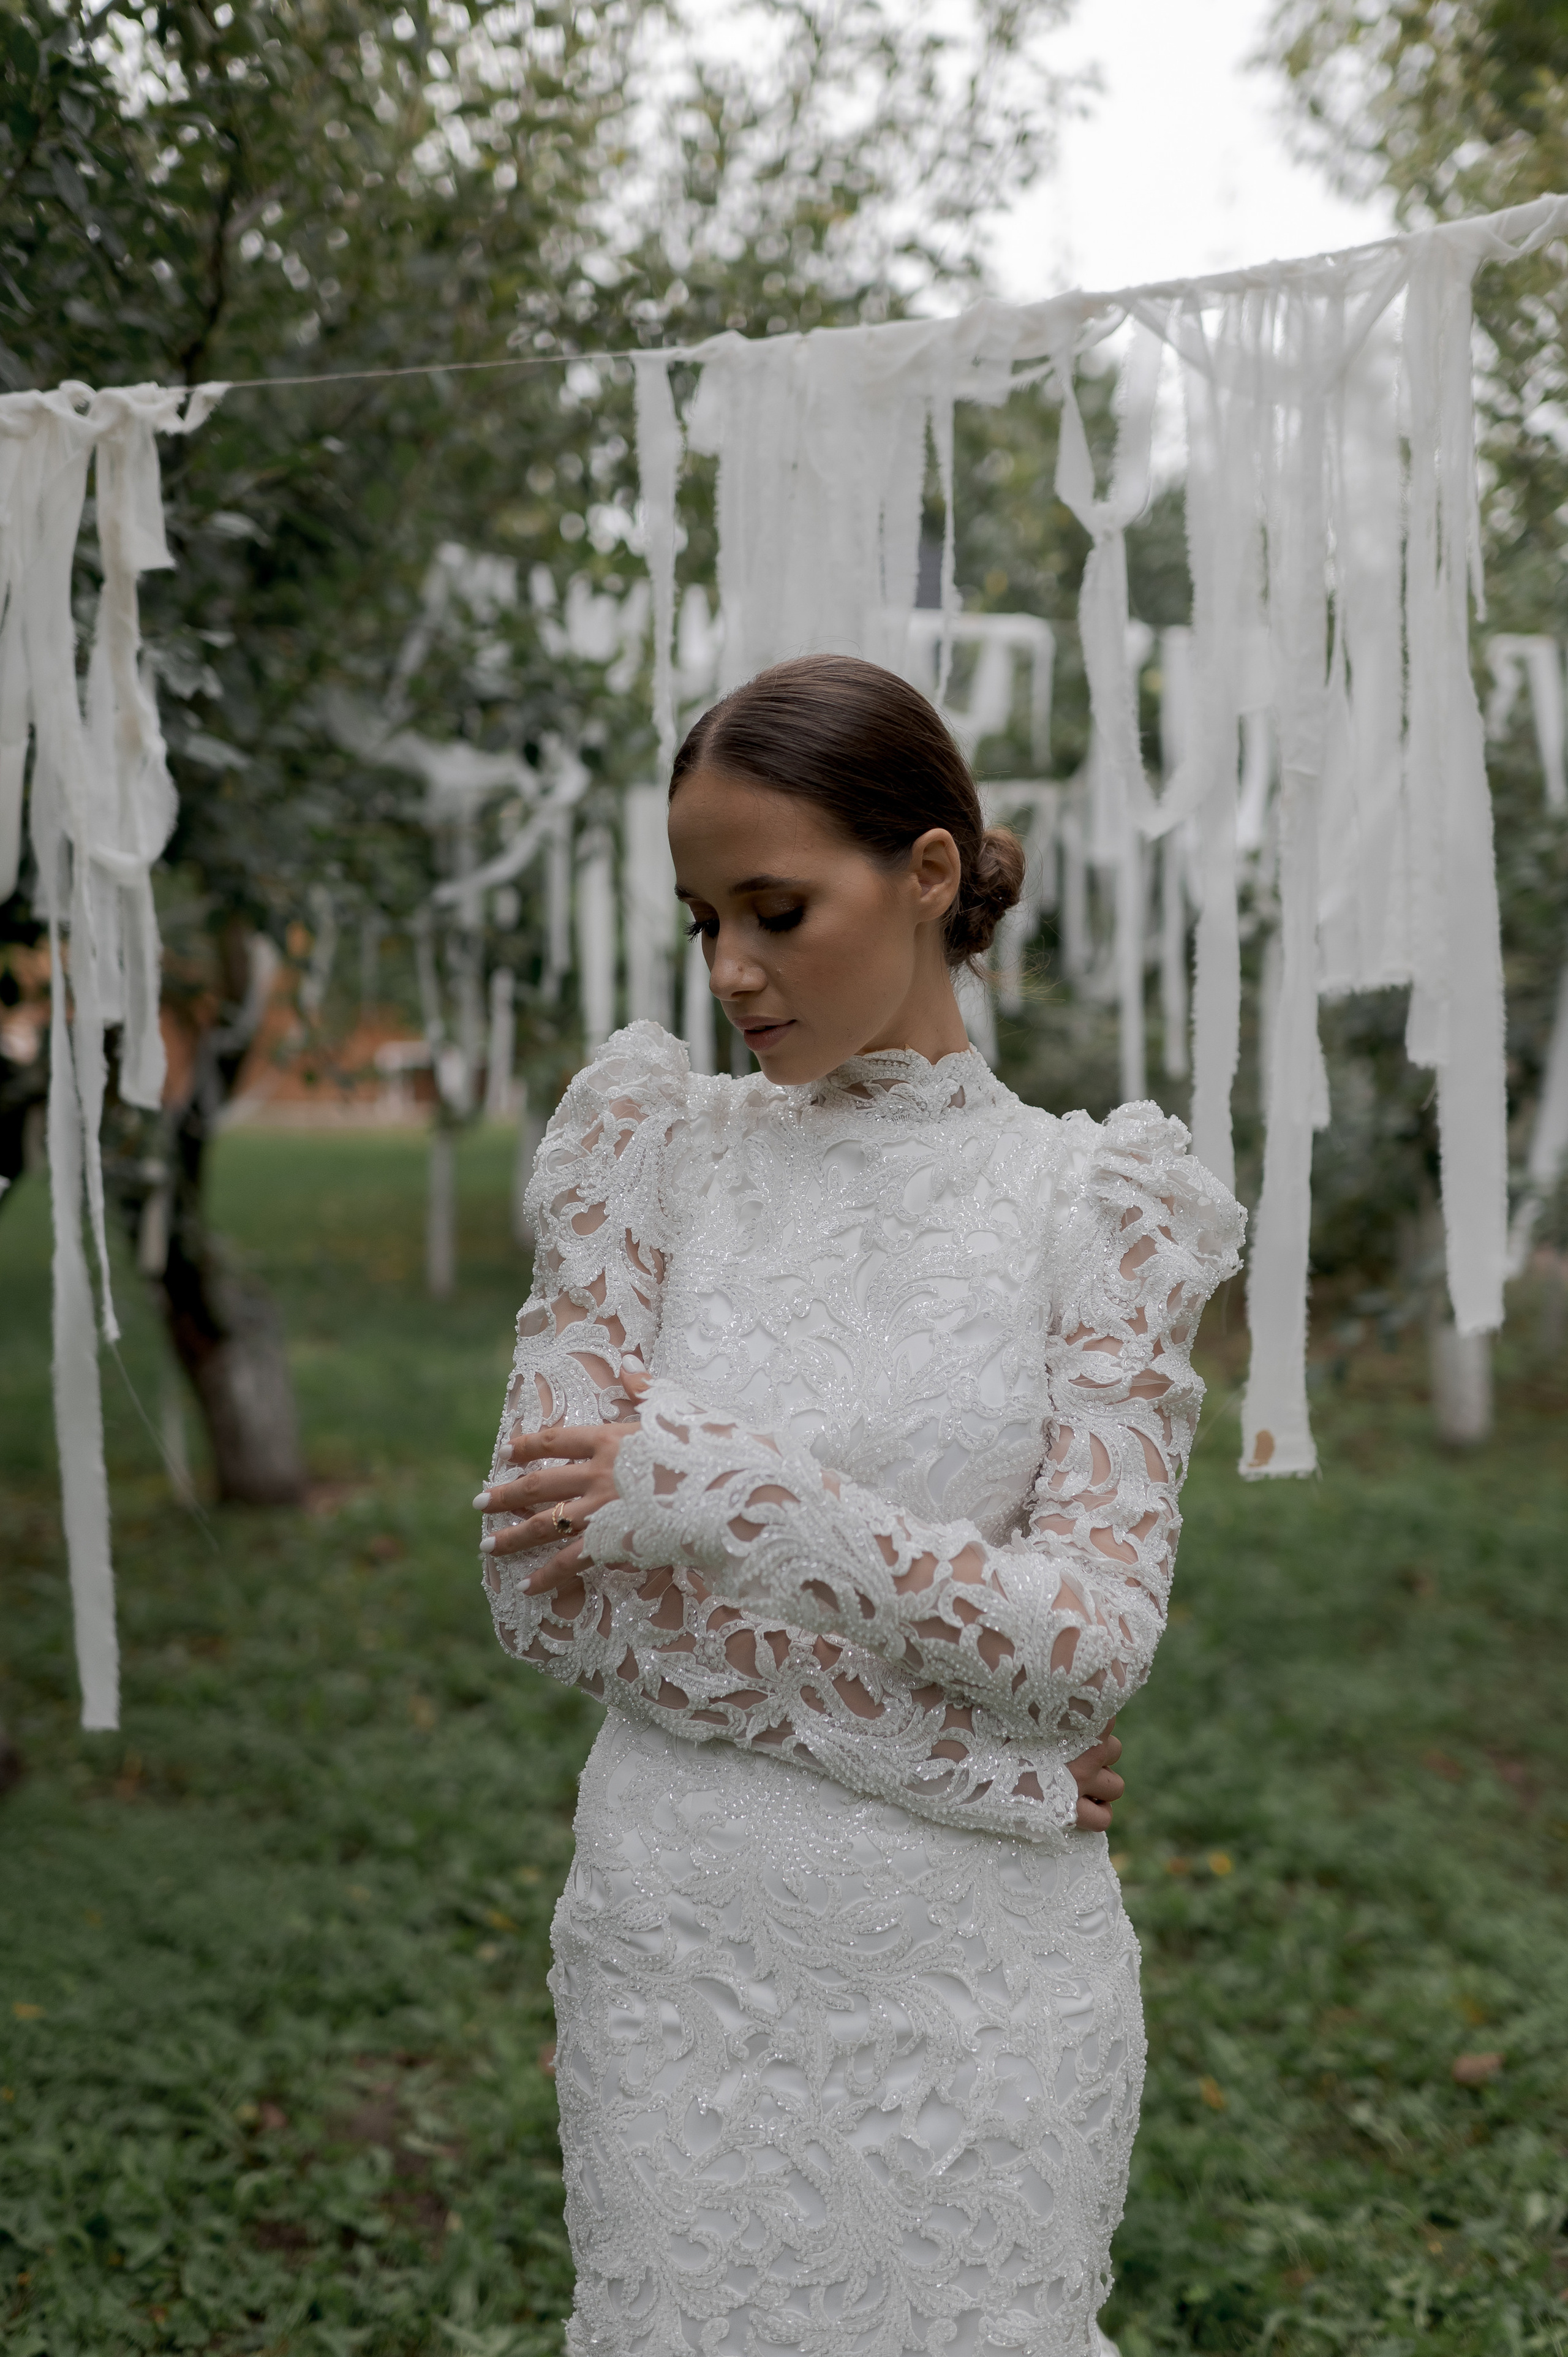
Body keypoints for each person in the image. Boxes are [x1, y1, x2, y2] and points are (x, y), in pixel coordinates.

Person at [472, 653, 1244, 2357]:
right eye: (703, 921)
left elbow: (1087, 1652)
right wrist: (981, 1764)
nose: (733, 970)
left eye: (775, 908)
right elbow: (543, 1596)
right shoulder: (645, 1155)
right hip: (681, 1960)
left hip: (981, 1993)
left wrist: (721, 1494)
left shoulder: (1098, 1206)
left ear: (930, 876)